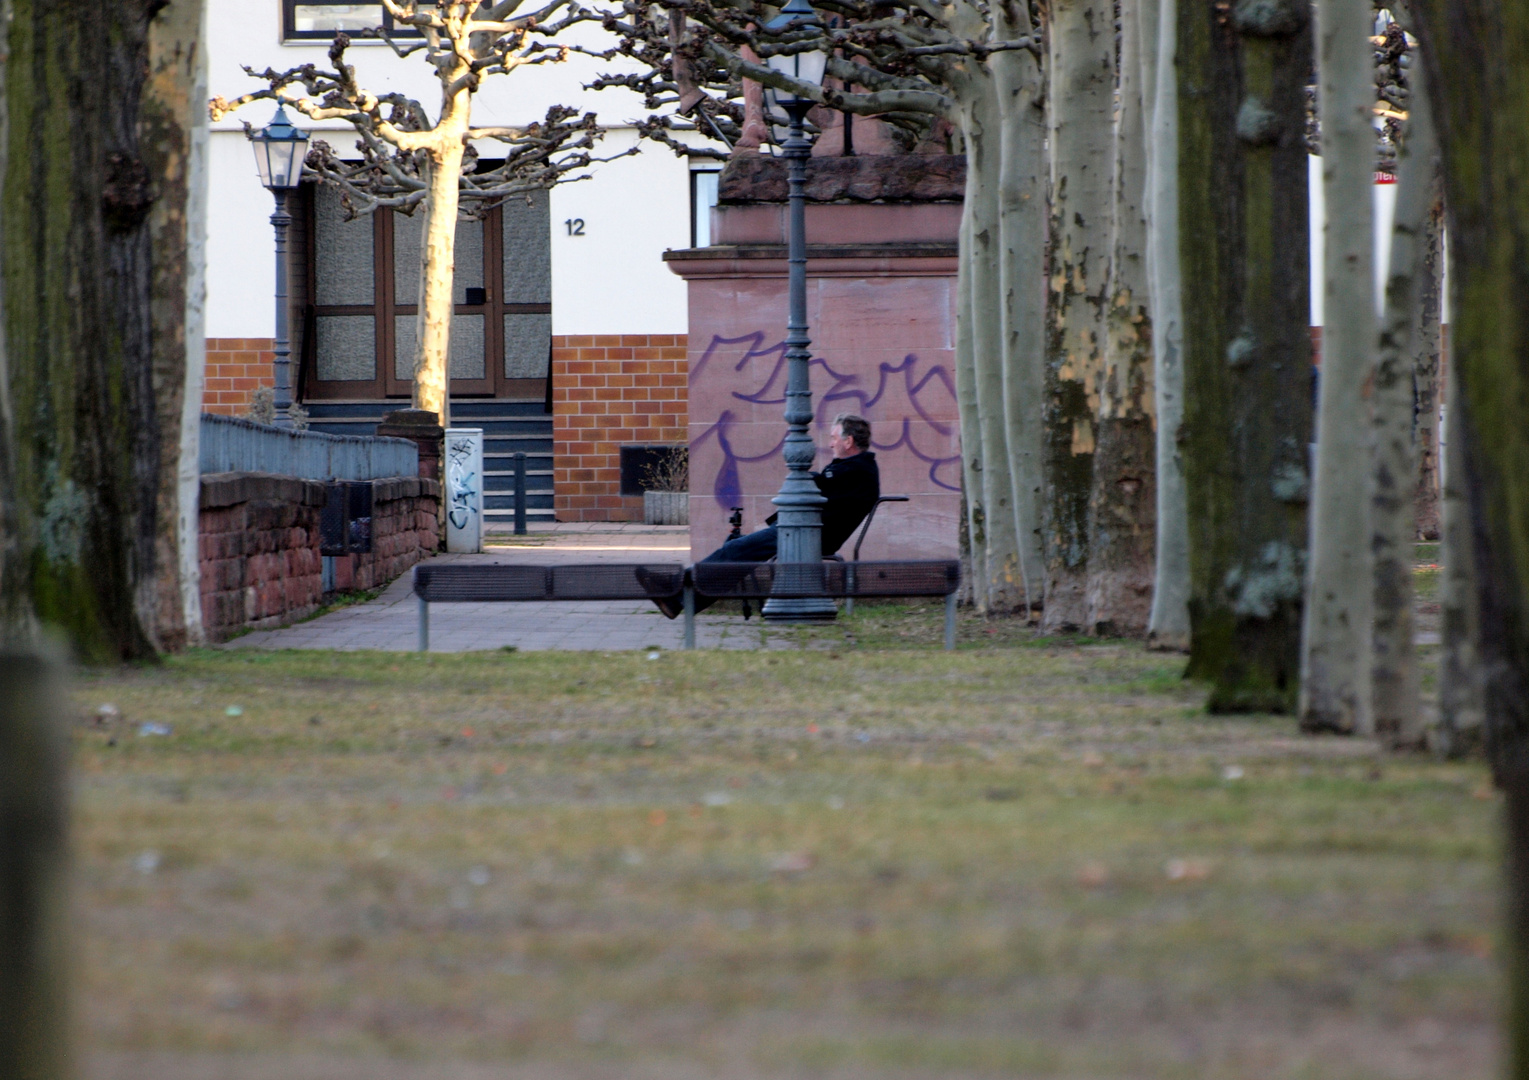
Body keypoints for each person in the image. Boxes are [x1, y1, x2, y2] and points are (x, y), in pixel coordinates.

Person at [645, 413, 880, 619]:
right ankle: (682, 601)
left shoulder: (857, 470)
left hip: (810, 534)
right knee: (738, 549)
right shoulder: (853, 468)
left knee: (735, 550)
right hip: (802, 529)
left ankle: (676, 589)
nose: (831, 443)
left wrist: (814, 477)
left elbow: (819, 484)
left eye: (834, 438)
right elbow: (822, 486)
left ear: (848, 441)